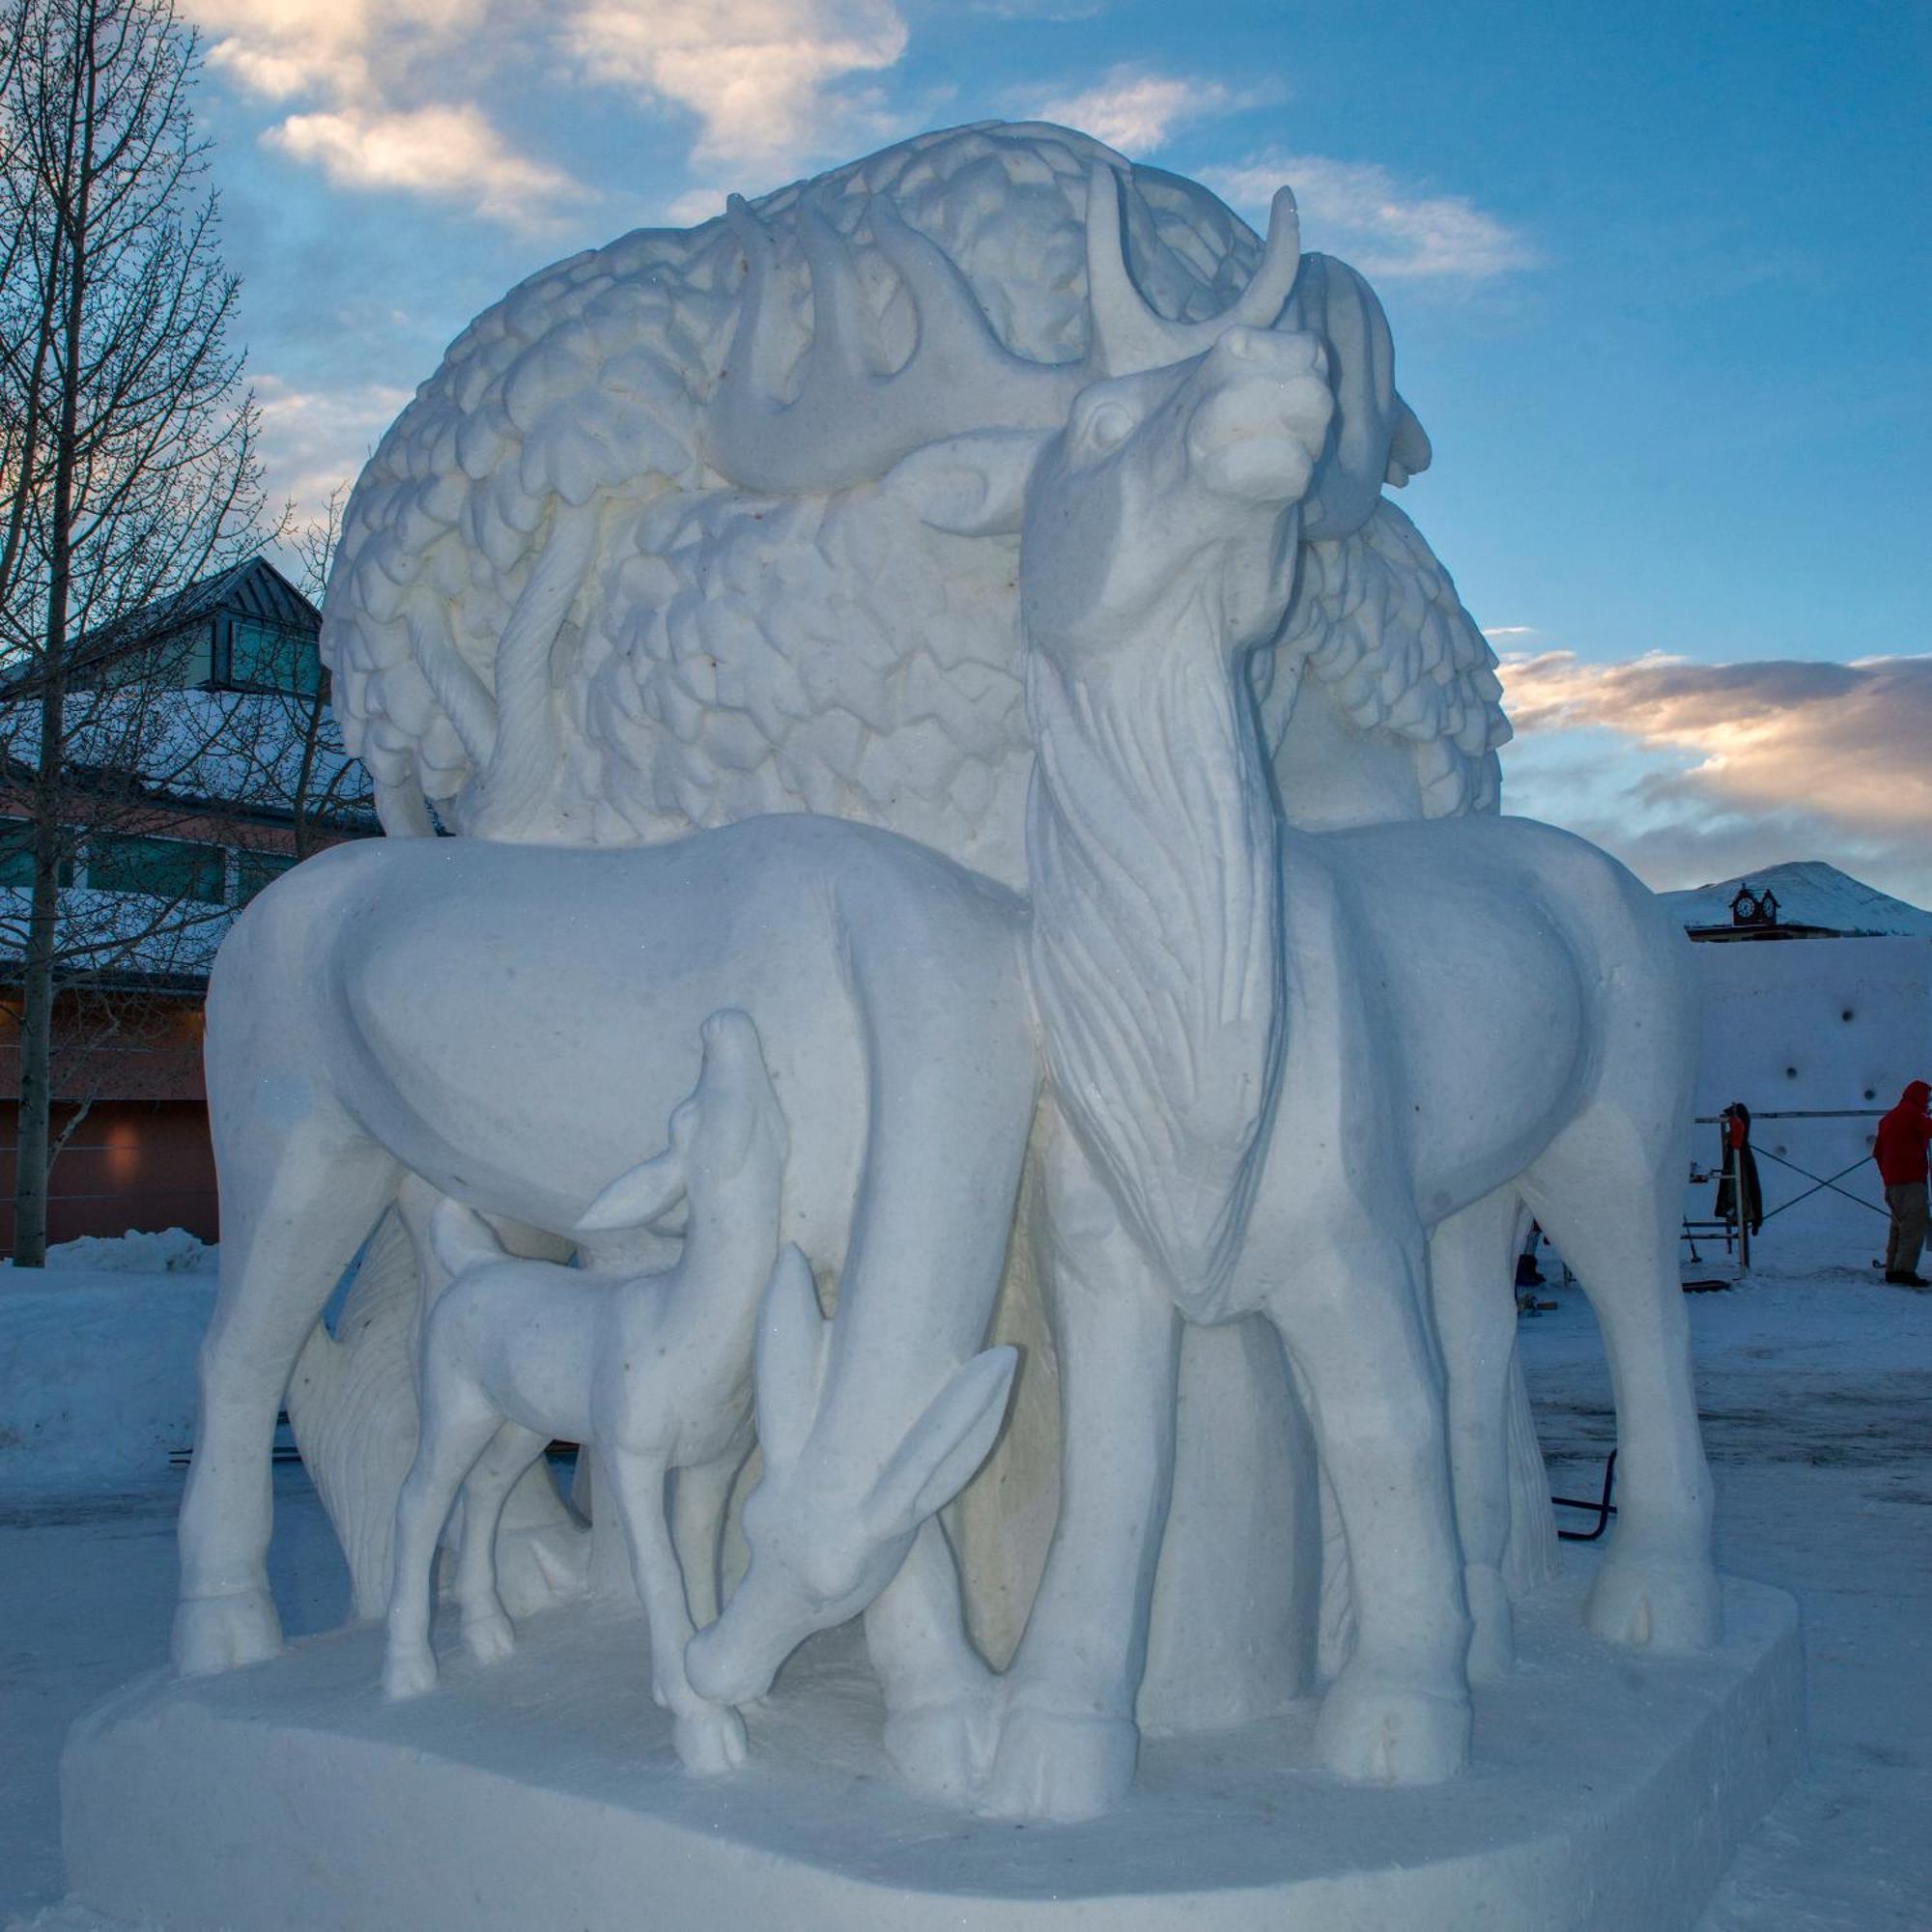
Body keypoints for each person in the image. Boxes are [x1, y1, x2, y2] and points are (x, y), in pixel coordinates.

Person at [1873, 1079, 1931, 1287]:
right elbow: (1929, 1129)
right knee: (1913, 1227)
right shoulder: (1913, 1114)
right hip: (1911, 1181)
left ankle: (1892, 1269)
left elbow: (1877, 1152)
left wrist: (1887, 1175)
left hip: (1892, 1184)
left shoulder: (1888, 1119)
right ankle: (1905, 1271)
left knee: (1897, 1228)